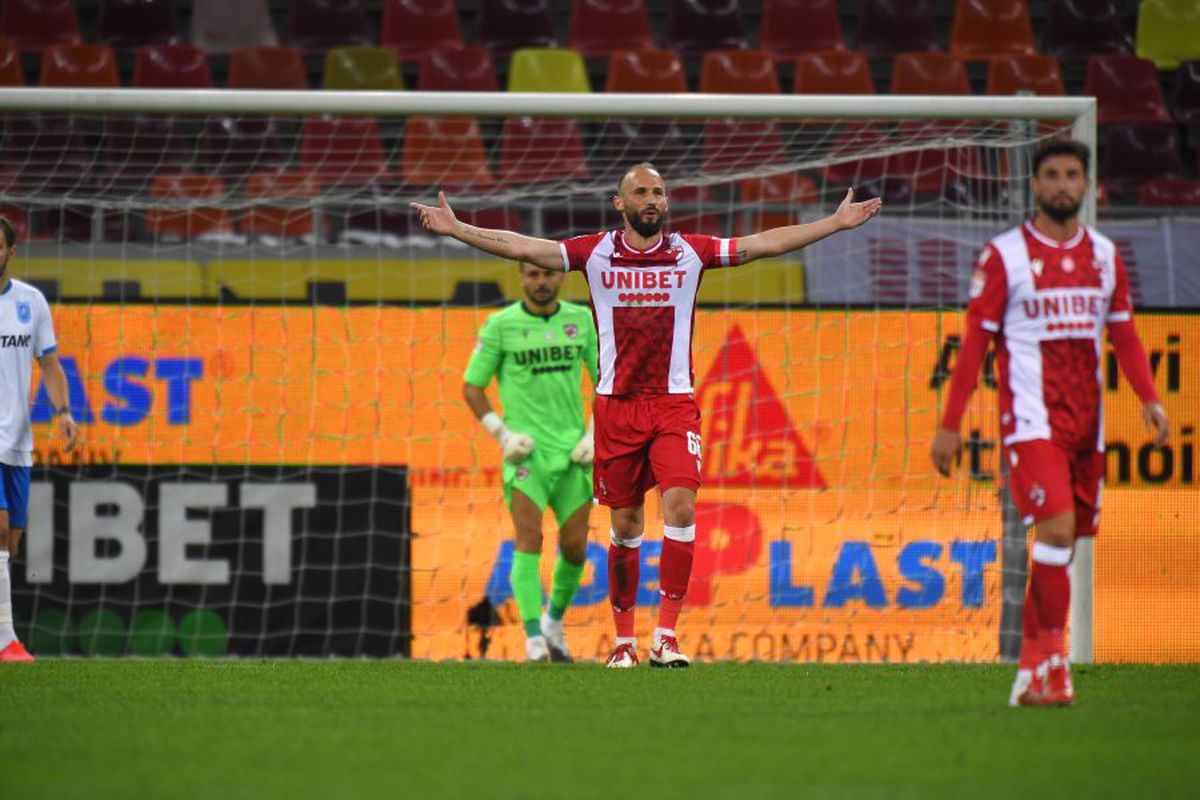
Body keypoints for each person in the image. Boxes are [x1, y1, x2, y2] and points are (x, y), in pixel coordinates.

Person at [414, 163, 882, 668]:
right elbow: (522, 246)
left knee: (680, 508)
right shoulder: (593, 252)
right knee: (627, 526)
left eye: (659, 190)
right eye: (641, 191)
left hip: (673, 404)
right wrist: (459, 230)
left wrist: (833, 224)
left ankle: (666, 637)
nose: (652, 198)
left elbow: (762, 243)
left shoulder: (690, 253)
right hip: (616, 407)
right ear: (621, 204)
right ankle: (623, 642)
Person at [931, 139, 1168, 706]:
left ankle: (1030, 670)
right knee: (1057, 530)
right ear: (1035, 186)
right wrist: (950, 422)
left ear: (1088, 186)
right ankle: (1053, 664)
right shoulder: (1005, 255)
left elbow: (1126, 335)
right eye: (1053, 175)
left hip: (1089, 424)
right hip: (1032, 421)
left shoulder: (1106, 256)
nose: (1063, 184)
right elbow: (973, 347)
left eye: (1072, 175)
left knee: (1064, 545)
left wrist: (1150, 398)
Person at [462, 261, 598, 662]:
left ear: (562, 277)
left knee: (575, 548)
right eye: (533, 275)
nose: (541, 282)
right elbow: (472, 387)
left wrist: (593, 435)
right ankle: (534, 638)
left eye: (548, 274)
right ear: (521, 278)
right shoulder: (500, 325)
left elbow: (607, 381)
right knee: (529, 540)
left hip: (574, 455)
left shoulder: (583, 320)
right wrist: (503, 435)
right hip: (528, 456)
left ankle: (555, 623)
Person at [0, 215, 79, 661]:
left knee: (11, 544)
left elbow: (49, 365)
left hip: (18, 442)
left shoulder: (31, 303)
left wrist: (64, 412)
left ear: (11, 252)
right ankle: (6, 641)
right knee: (0, 528)